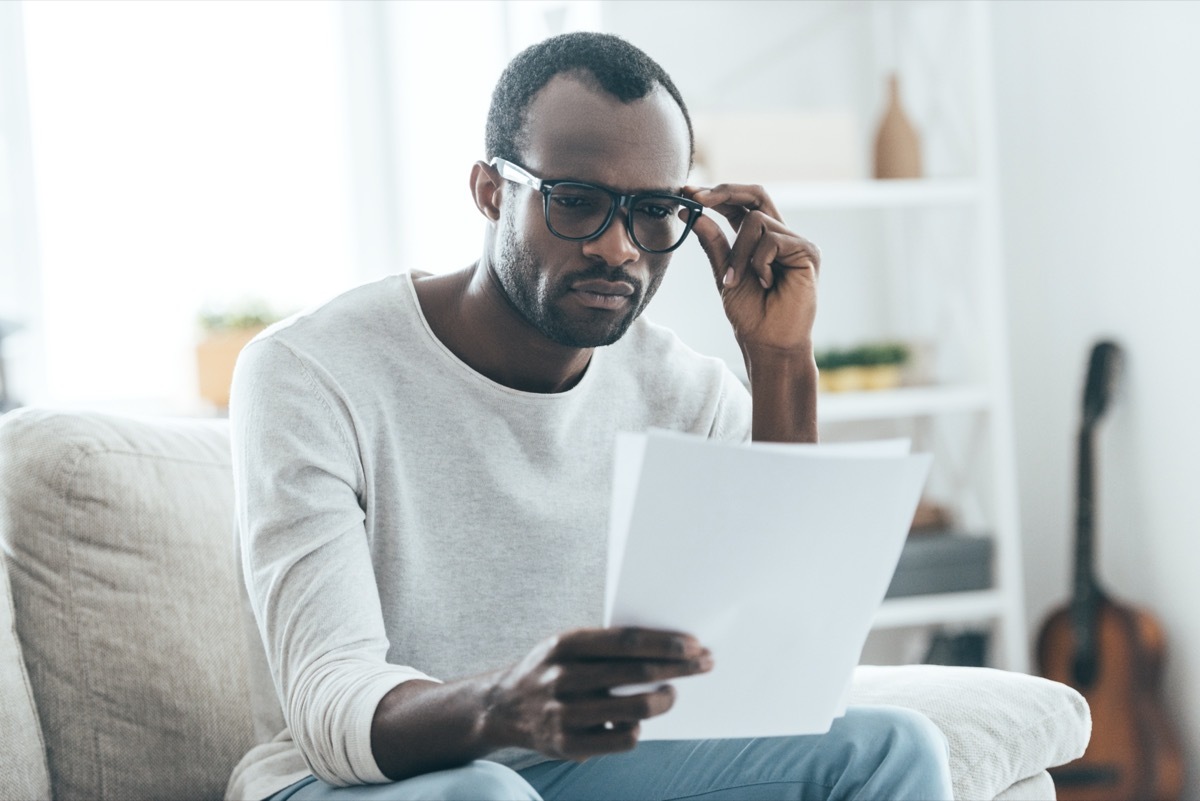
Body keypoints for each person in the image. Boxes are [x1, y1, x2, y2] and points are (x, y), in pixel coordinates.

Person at [228, 31, 953, 801]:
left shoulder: (685, 392)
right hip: (354, 780)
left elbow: (786, 657)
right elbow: (327, 703)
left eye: (652, 211)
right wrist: (509, 704)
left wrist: (780, 359)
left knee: (892, 747)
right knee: (488, 795)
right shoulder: (311, 371)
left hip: (588, 769)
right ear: (489, 191)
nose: (618, 248)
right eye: (575, 201)